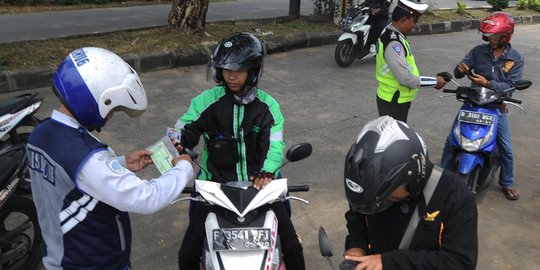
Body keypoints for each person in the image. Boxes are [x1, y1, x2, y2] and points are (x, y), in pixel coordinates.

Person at [26, 47, 195, 269]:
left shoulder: (41, 134)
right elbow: (147, 198)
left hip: (60, 255)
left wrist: (122, 163)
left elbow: (73, 182)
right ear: (91, 101)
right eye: (113, 107)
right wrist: (183, 169)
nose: (112, 115)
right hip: (94, 263)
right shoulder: (86, 157)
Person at [175, 32, 305, 270]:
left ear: (253, 70)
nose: (231, 76)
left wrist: (268, 170)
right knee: (187, 253)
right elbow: (183, 129)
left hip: (261, 187)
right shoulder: (205, 102)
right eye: (225, 69)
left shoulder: (269, 106)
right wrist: (182, 142)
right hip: (214, 189)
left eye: (238, 70)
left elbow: (275, 145)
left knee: (293, 248)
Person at [342, 116, 478, 270]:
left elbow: (460, 262)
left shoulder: (455, 195)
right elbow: (357, 214)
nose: (379, 202)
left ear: (412, 177)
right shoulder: (372, 189)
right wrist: (357, 246)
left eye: (387, 196)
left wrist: (389, 262)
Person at [440, 12, 524, 201]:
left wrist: (488, 84)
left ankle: (507, 183)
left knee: (506, 148)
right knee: (451, 141)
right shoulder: (478, 51)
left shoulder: (515, 59)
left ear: (506, 36)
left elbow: (510, 87)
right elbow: (460, 72)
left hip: (496, 107)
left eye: (494, 36)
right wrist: (459, 69)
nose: (490, 39)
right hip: (472, 103)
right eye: (489, 36)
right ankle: (441, 177)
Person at [375, 0, 447, 123]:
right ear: (403, 20)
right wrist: (435, 82)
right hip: (394, 101)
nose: (415, 25)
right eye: (414, 21)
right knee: (394, 138)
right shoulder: (394, 43)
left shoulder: (390, 31)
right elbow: (406, 79)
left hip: (393, 98)